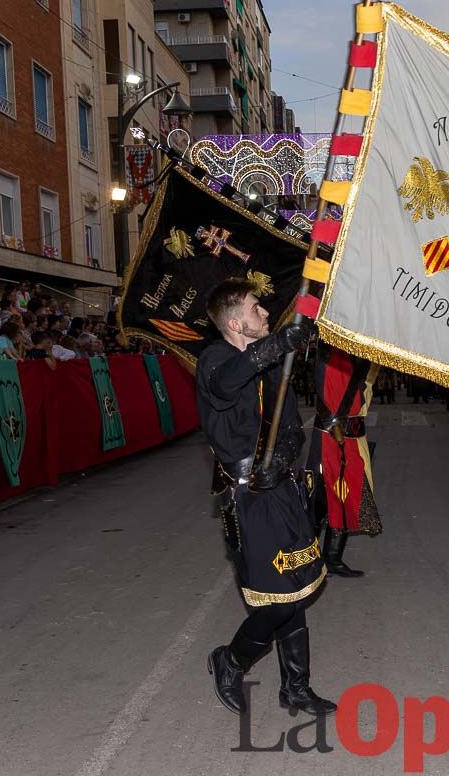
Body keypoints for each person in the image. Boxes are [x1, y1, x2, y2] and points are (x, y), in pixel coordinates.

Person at [196, 278, 334, 717]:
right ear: (236, 321)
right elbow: (227, 383)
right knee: (282, 596)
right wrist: (276, 345)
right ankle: (231, 660)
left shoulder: (273, 367)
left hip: (282, 489)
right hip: (249, 497)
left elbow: (291, 426)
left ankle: (296, 686)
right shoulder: (216, 360)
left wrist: (287, 460)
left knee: (297, 585)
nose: (265, 314)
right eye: (257, 309)